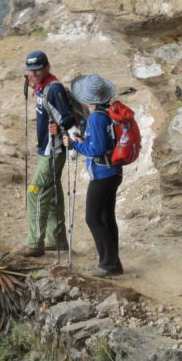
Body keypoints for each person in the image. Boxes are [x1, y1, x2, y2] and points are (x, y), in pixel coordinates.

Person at [64, 73, 124, 277]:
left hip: (102, 174)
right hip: (113, 171)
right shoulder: (107, 112)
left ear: (87, 98)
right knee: (107, 217)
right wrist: (84, 141)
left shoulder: (97, 117)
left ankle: (108, 265)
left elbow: (97, 149)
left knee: (93, 218)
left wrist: (75, 144)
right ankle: (113, 263)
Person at [21, 50, 77, 257]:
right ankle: (57, 239)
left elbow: (68, 119)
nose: (33, 74)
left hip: (52, 150)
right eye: (30, 70)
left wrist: (61, 130)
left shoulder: (53, 89)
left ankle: (35, 243)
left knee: (35, 192)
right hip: (46, 149)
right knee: (52, 192)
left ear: (47, 68)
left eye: (37, 69)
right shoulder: (42, 88)